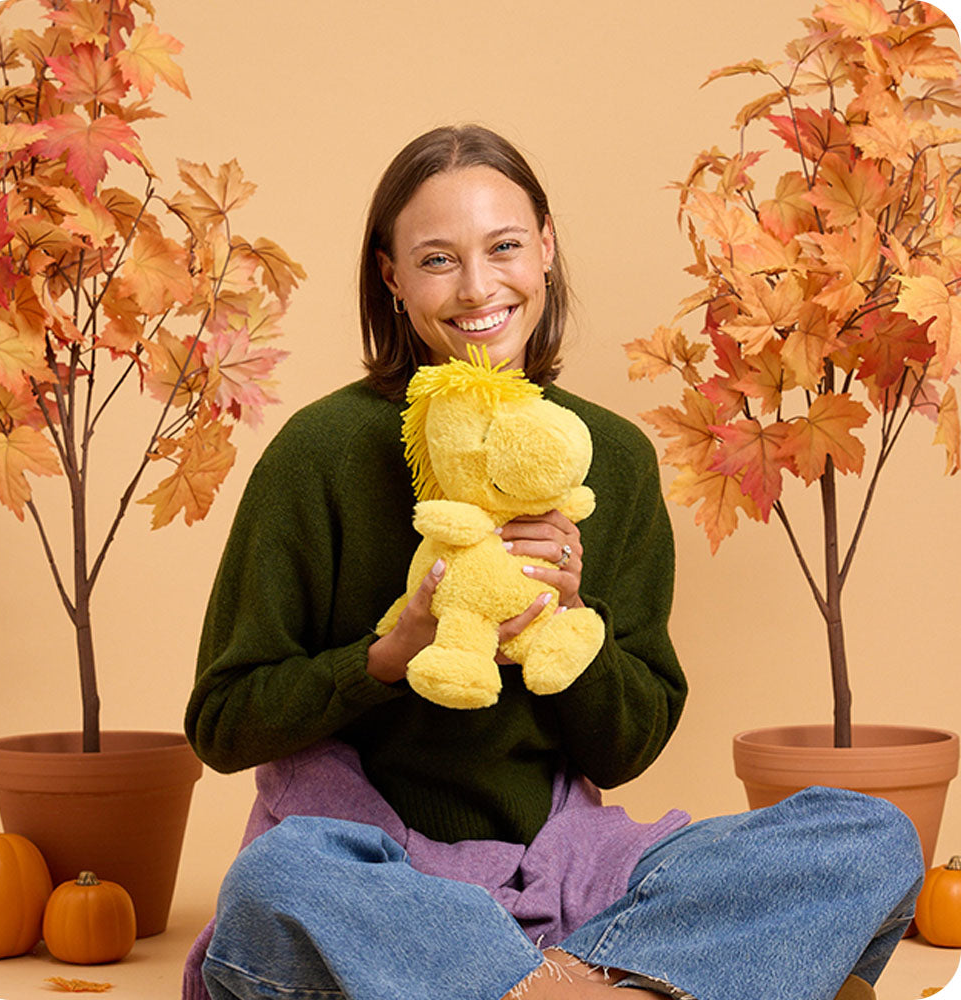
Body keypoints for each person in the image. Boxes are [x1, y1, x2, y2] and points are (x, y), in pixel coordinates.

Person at [183, 125, 924, 1000]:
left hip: (570, 878)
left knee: (869, 835)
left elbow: (628, 747)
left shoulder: (604, 455)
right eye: (436, 259)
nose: (477, 287)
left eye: (503, 247)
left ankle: (545, 985)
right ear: (391, 277)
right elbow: (222, 723)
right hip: (378, 882)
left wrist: (572, 625)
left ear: (545, 249)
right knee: (277, 884)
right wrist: (389, 656)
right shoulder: (321, 450)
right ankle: (629, 986)